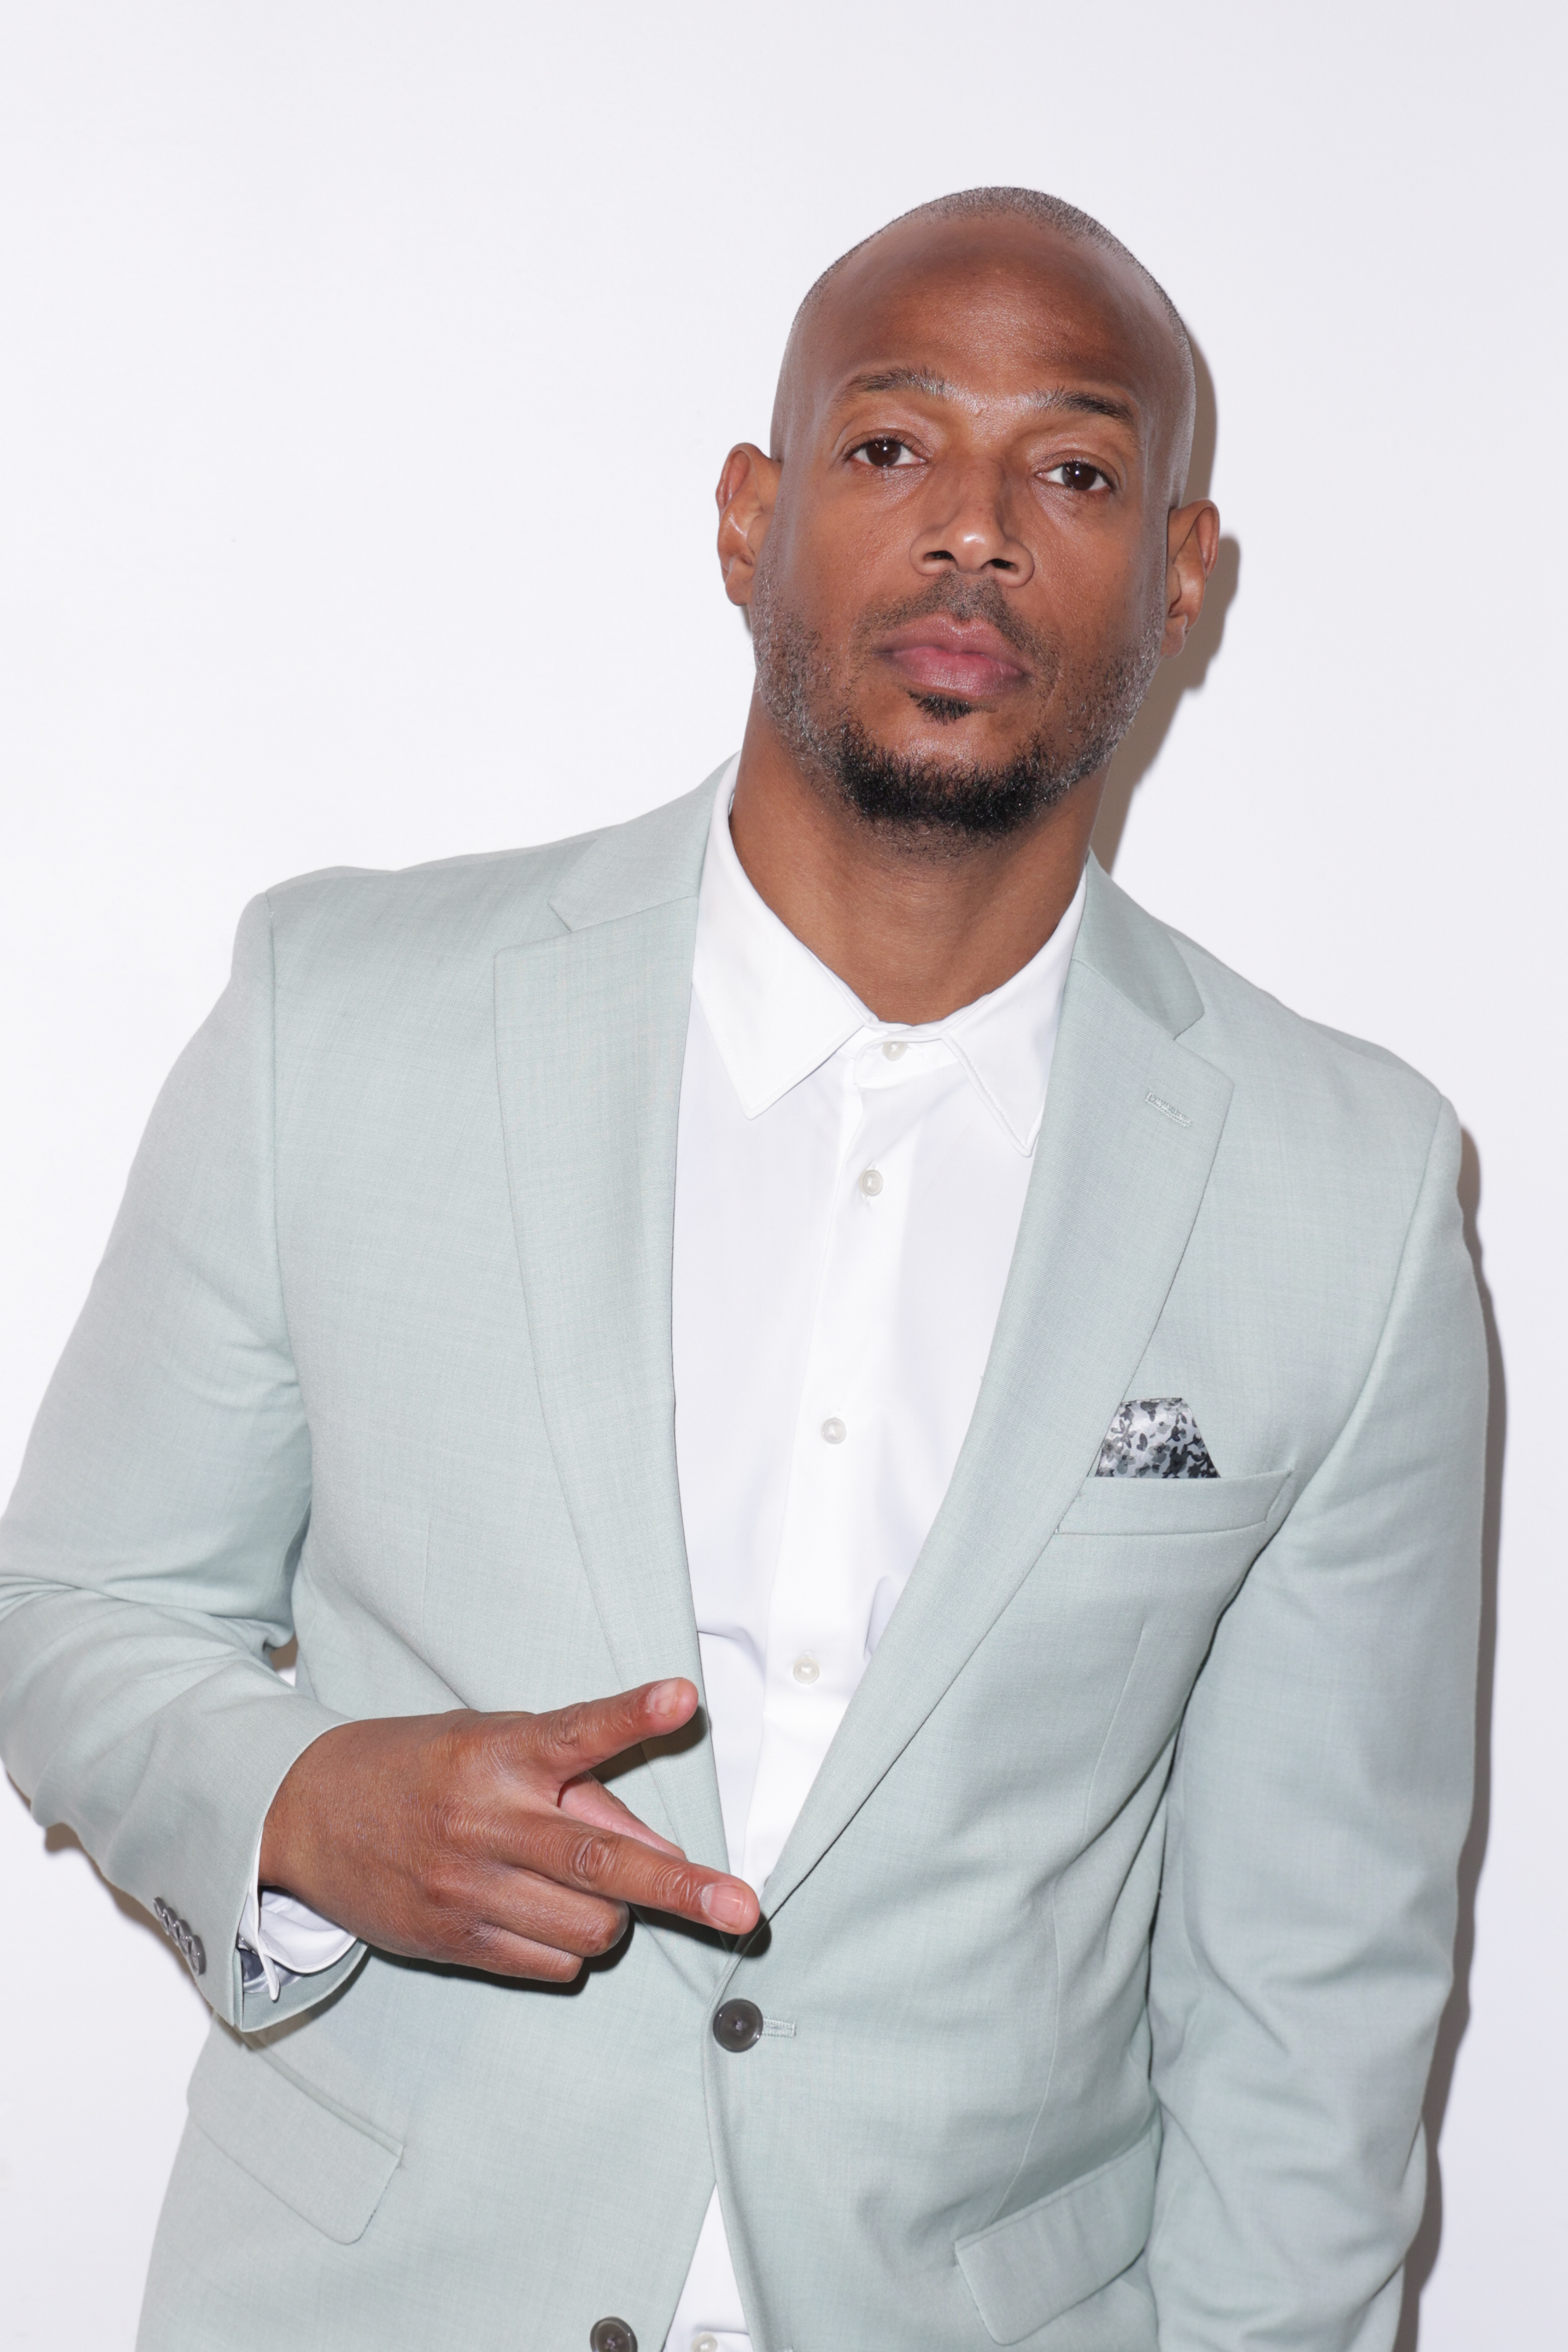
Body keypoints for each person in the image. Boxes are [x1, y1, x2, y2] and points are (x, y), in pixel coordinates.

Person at [0, 187, 1484, 2352]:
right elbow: (80, 1614)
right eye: (892, 450)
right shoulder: (346, 1014)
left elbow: (1315, 2001)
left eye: (1072, 471)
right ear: (749, 519)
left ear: (1180, 574)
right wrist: (309, 1807)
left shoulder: (1344, 1190)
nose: (973, 532)